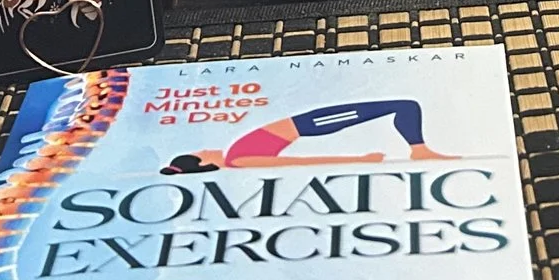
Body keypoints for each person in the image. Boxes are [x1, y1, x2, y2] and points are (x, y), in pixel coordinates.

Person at [161, 98, 457, 175]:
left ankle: (419, 148)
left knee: (402, 106)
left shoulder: (234, 156)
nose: (205, 148)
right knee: (403, 106)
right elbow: (301, 161)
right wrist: (359, 159)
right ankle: (419, 149)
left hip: (310, 121)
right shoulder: (238, 160)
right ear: (202, 163)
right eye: (201, 152)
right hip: (314, 123)